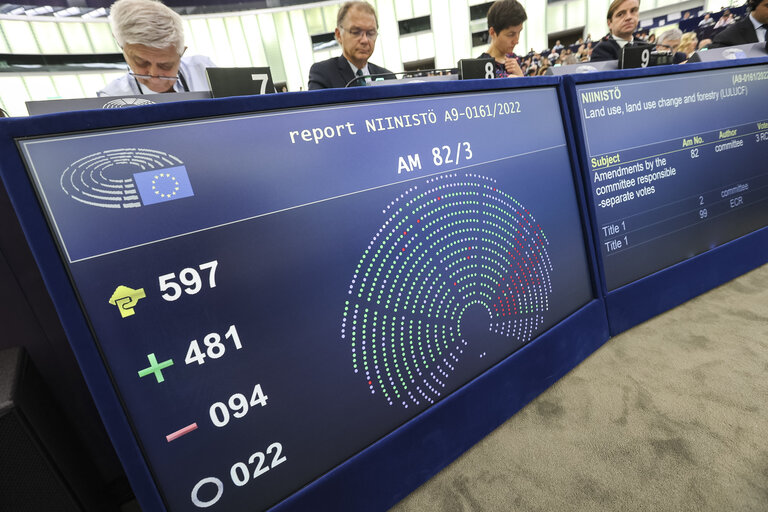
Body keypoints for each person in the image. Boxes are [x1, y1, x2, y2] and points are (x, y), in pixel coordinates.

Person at [98, 0, 214, 96]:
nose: (154, 76)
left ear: (181, 53)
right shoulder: (111, 97)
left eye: (166, 65)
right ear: (121, 46)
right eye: (141, 62)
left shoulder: (204, 70)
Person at [307, 1, 394, 90]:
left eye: (371, 33)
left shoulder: (389, 78)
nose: (364, 40)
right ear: (339, 35)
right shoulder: (323, 74)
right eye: (356, 32)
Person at [478, 0, 527, 78]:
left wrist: (520, 76)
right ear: (492, 32)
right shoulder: (479, 66)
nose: (516, 41)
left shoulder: (515, 60)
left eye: (519, 32)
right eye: (511, 34)